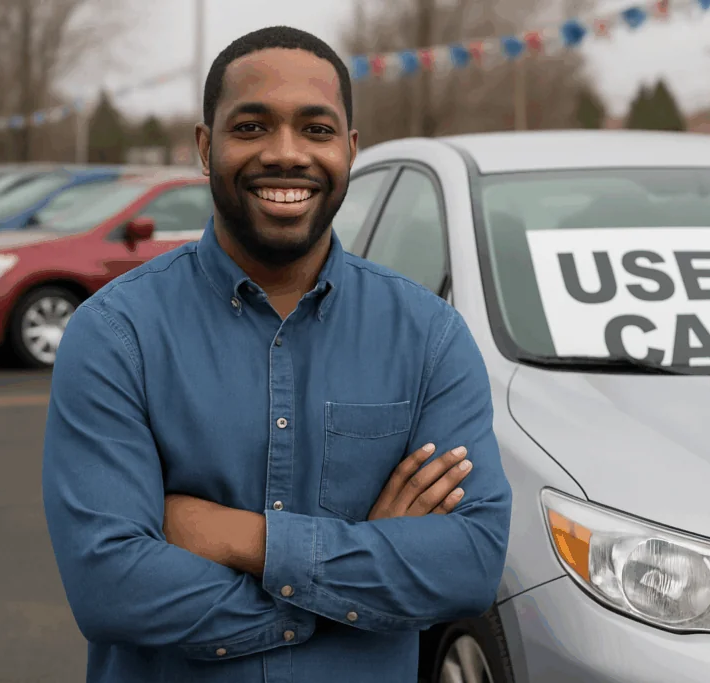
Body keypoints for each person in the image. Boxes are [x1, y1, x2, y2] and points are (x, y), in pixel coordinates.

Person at [41, 25, 512, 683]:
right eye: (252, 126)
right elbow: (111, 584)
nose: (286, 153)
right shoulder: (116, 335)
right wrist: (356, 583)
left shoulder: (429, 338)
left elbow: (468, 562)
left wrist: (244, 541)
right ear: (207, 147)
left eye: (316, 130)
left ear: (350, 150)